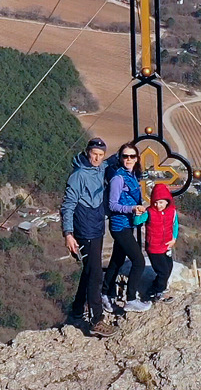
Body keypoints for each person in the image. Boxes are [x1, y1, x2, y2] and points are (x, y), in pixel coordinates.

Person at [60, 136, 112, 335]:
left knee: (90, 271)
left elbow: (114, 160)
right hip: (84, 230)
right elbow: (68, 205)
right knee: (96, 274)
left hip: (97, 228)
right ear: (87, 152)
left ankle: (76, 310)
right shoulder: (79, 174)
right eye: (94, 154)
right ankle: (96, 320)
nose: (97, 158)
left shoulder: (101, 167)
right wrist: (68, 234)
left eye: (100, 155)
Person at [103, 142, 149, 311]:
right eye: (125, 156)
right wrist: (132, 208)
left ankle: (105, 293)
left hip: (127, 224)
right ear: (120, 158)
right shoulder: (118, 178)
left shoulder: (132, 176)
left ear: (137, 159)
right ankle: (130, 299)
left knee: (117, 260)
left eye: (132, 156)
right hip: (120, 226)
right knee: (139, 261)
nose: (128, 159)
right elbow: (113, 205)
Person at [133, 182, 178, 309]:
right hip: (154, 247)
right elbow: (137, 221)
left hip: (166, 246)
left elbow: (175, 225)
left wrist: (174, 238)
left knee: (169, 267)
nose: (158, 205)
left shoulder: (172, 212)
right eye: (156, 202)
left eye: (161, 202)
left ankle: (157, 286)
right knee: (163, 271)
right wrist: (137, 215)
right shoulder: (150, 212)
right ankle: (156, 292)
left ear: (167, 201)